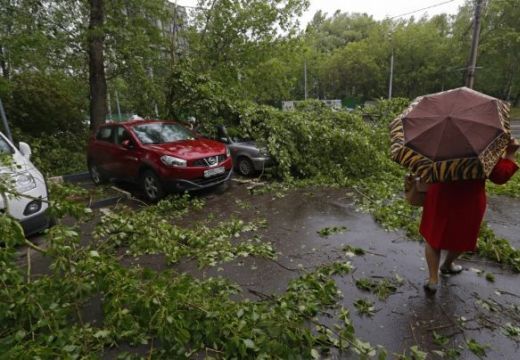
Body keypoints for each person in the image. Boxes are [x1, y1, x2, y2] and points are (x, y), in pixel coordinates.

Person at [421, 138, 519, 293]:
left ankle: (433, 280)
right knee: (462, 238)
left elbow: (422, 165)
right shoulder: (485, 143)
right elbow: (499, 176)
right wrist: (510, 153)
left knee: (434, 237)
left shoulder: (440, 139)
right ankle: (447, 265)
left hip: (441, 195)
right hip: (469, 201)